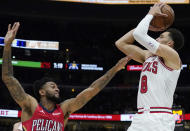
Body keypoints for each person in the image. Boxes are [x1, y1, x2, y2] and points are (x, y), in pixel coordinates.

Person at [2, 22, 131, 131]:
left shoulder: (64, 109)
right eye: (52, 87)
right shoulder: (31, 105)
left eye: (57, 87)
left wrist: (115, 69)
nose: (57, 89)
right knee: (17, 127)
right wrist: (7, 45)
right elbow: (8, 78)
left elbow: (92, 90)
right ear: (42, 91)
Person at [115, 3, 184, 131]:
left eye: (161, 36)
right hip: (140, 117)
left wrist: (150, 15)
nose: (157, 38)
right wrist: (150, 27)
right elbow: (121, 43)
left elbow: (139, 35)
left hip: (159, 118)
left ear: (170, 43)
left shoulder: (173, 57)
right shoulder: (148, 55)